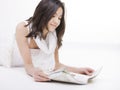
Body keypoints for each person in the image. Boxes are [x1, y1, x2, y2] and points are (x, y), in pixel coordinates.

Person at [14, 0, 94, 82]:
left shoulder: (52, 34)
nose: (57, 22)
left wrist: (79, 70)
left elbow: (56, 65)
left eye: (59, 18)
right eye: (53, 16)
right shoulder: (23, 28)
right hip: (9, 60)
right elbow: (28, 65)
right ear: (42, 14)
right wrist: (34, 72)